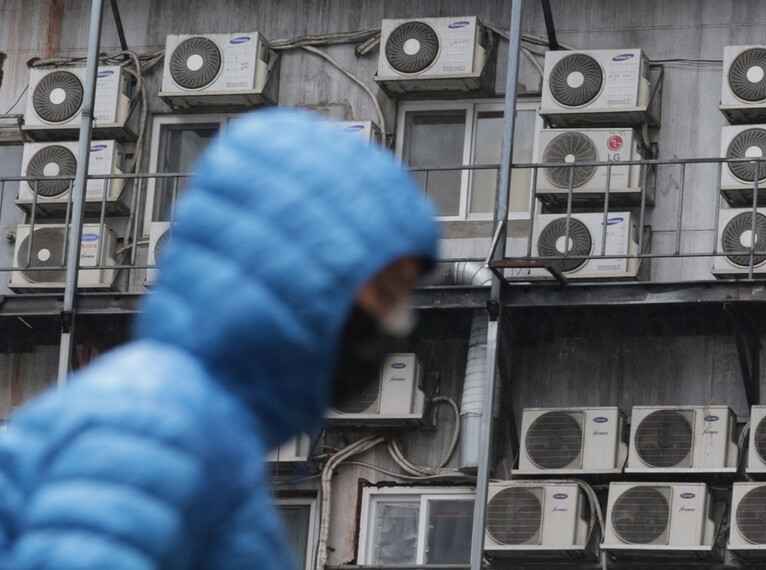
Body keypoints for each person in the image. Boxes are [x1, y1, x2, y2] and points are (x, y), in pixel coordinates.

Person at [0, 109, 440, 569]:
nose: (396, 323)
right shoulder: (158, 420)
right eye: (386, 293)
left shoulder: (200, 427)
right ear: (298, 275)